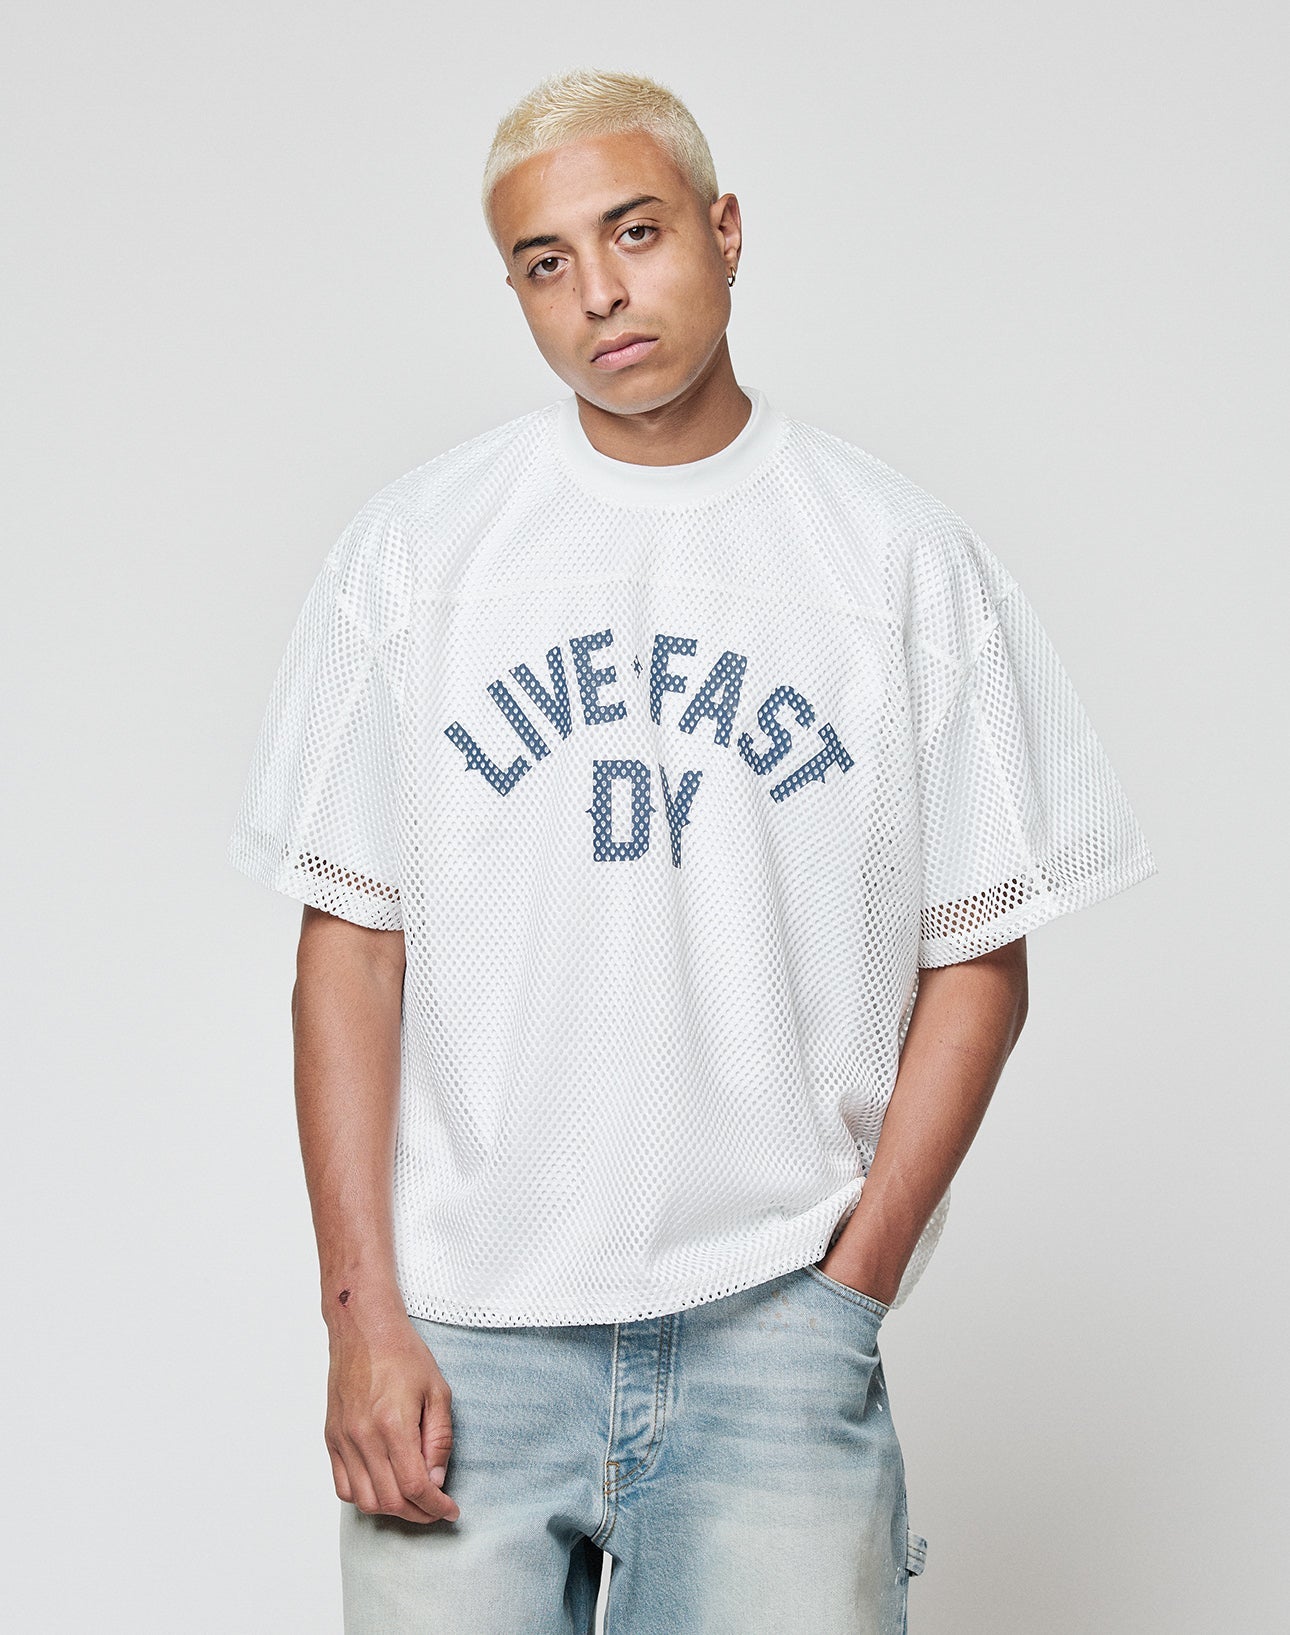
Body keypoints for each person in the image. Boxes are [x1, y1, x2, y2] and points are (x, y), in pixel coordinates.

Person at [227, 65, 1157, 1635]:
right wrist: (360, 1319)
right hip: (462, 1341)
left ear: (724, 231)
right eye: (544, 262)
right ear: (515, 292)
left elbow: (978, 958)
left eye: (635, 231)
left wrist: (848, 1288)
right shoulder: (416, 557)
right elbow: (349, 953)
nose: (598, 291)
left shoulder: (895, 557)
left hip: (768, 1330)